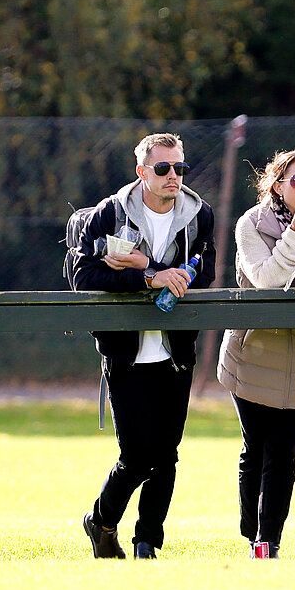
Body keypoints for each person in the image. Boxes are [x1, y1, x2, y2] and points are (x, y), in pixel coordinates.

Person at [72, 132, 217, 559]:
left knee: (167, 456)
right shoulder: (109, 214)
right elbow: (84, 280)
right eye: (163, 168)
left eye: (180, 168)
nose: (174, 176)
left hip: (176, 351)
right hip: (124, 353)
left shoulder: (199, 213)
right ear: (141, 172)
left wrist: (161, 271)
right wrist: (148, 276)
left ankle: (147, 542)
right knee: (136, 456)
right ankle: (100, 521)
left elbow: (204, 271)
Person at [217, 149, 295, 559]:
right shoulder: (250, 224)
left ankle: (267, 542)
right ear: (277, 186)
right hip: (251, 352)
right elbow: (267, 280)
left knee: (285, 454)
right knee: (256, 447)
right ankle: (249, 529)